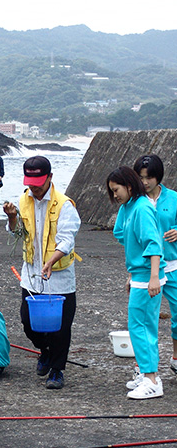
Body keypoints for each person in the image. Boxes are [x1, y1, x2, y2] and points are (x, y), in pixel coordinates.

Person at [3, 155, 80, 390]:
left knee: (60, 327)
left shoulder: (64, 204)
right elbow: (16, 234)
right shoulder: (23, 200)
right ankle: (44, 351)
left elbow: (67, 239)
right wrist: (12, 217)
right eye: (30, 183)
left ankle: (57, 370)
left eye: (38, 184)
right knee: (28, 322)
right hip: (32, 275)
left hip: (59, 275)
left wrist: (51, 260)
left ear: (50, 178)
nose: (33, 189)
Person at [107, 165, 166, 399]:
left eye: (116, 190)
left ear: (129, 186)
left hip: (147, 277)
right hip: (139, 274)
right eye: (112, 191)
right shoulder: (131, 206)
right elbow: (120, 233)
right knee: (142, 327)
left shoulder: (141, 208)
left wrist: (153, 278)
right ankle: (147, 374)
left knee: (140, 328)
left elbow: (153, 244)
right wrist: (134, 274)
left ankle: (151, 379)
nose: (114, 195)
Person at [133, 155, 177, 376]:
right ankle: (142, 366)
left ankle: (175, 358)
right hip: (147, 270)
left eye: (149, 177)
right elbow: (123, 234)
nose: (145, 182)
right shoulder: (135, 203)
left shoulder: (173, 198)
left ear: (158, 177)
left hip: (172, 264)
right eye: (141, 178)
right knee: (145, 319)